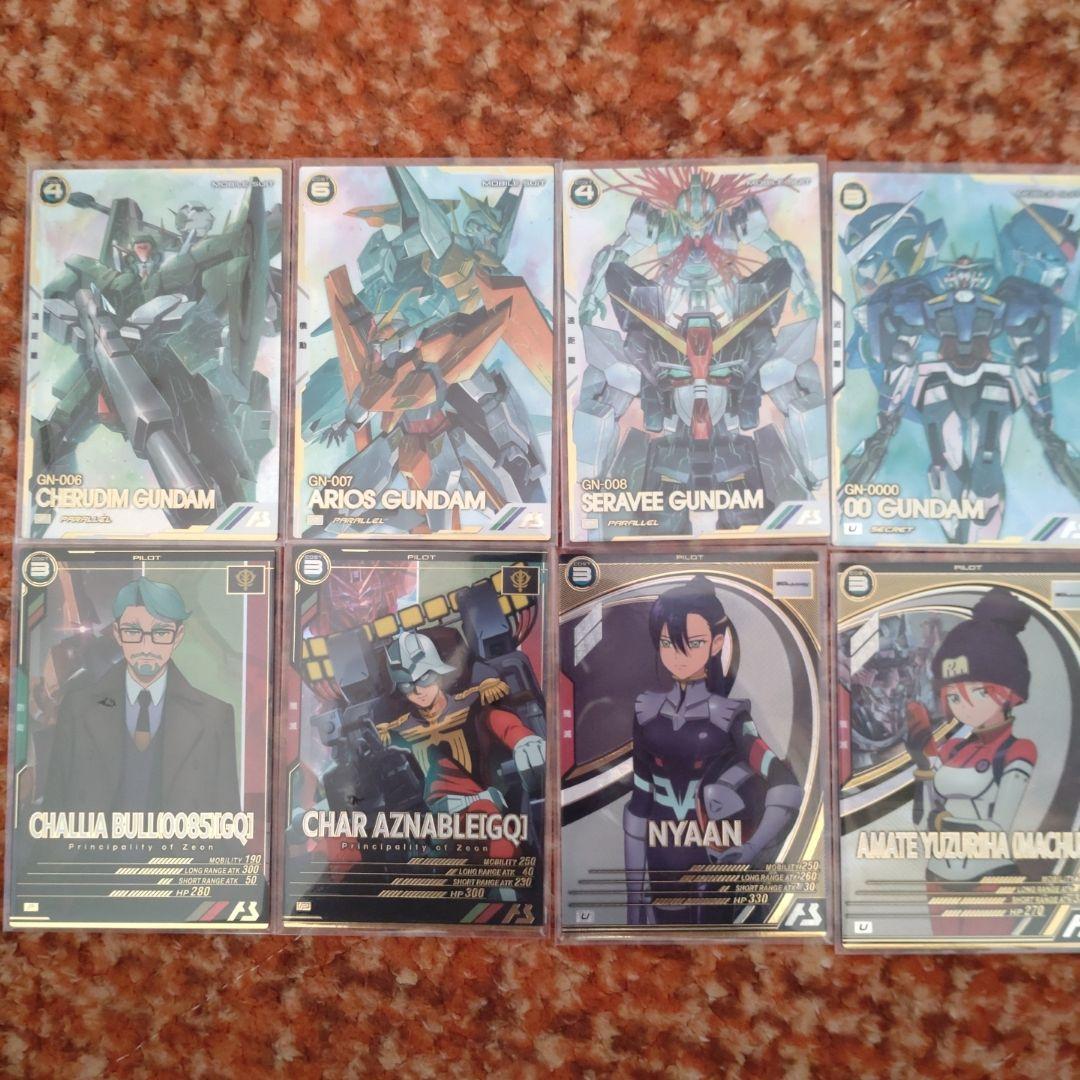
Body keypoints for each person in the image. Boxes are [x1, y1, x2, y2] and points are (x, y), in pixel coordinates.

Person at [625, 576, 803, 925]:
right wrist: (631, 903)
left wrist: (751, 848)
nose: (678, 656)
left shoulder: (730, 716)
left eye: (693, 643)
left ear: (717, 643)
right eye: (667, 643)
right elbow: (639, 803)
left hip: (713, 861)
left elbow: (785, 784)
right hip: (661, 859)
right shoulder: (645, 711)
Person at [43, 578, 239, 813]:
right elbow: (53, 811)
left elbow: (229, 819)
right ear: (118, 634)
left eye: (160, 632)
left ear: (178, 636)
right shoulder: (77, 708)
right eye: (134, 631)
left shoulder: (215, 716)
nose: (146, 646)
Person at [905, 586, 1036, 937]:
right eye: (953, 696)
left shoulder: (1018, 750)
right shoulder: (954, 747)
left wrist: (944, 821)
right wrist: (921, 751)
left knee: (992, 963)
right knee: (938, 963)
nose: (964, 706)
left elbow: (998, 828)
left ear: (1008, 694)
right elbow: (930, 804)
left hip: (988, 877)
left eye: (979, 692)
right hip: (938, 874)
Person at [378, 630, 545, 858]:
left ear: (438, 673)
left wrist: (524, 740)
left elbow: (499, 722)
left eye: (424, 678)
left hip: (479, 811)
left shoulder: (471, 705)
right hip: (433, 825)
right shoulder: (397, 729)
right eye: (407, 685)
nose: (418, 691)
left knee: (502, 851)